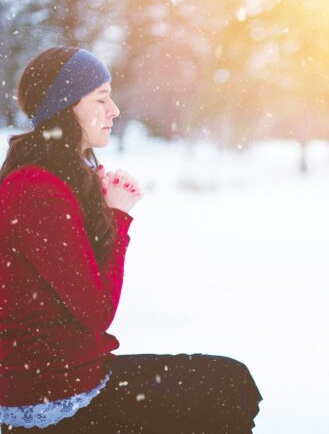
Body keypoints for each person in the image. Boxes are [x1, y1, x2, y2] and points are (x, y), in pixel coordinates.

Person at [0, 47, 262, 433]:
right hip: (53, 395)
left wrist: (103, 212)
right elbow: (97, 310)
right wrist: (118, 217)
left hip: (73, 377)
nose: (115, 110)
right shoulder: (36, 188)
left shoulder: (56, 179)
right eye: (101, 98)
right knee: (224, 392)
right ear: (65, 107)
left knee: (233, 384)